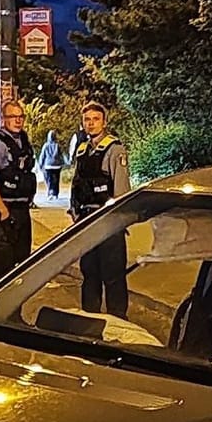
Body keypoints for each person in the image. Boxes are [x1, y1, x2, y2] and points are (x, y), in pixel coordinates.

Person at [71, 101, 132, 318]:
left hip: (108, 222)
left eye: (96, 119)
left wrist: (119, 222)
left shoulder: (115, 150)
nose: (91, 124)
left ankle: (118, 321)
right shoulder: (82, 151)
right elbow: (76, 186)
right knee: (89, 274)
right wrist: (76, 215)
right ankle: (90, 320)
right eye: (87, 119)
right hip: (87, 221)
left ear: (104, 122)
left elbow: (122, 190)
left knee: (113, 275)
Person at [0, 100, 36, 288]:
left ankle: (12, 313)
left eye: (20, 117)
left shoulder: (23, 141)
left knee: (21, 267)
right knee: (1, 268)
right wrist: (3, 212)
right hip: (5, 211)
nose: (17, 121)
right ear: (4, 119)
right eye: (13, 117)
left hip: (22, 211)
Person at [37, 129, 66, 199]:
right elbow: (61, 155)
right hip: (57, 165)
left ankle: (50, 193)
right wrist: (63, 163)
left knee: (49, 180)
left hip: (48, 165)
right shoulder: (57, 145)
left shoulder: (46, 146)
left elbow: (42, 155)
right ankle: (55, 194)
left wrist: (40, 165)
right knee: (56, 180)